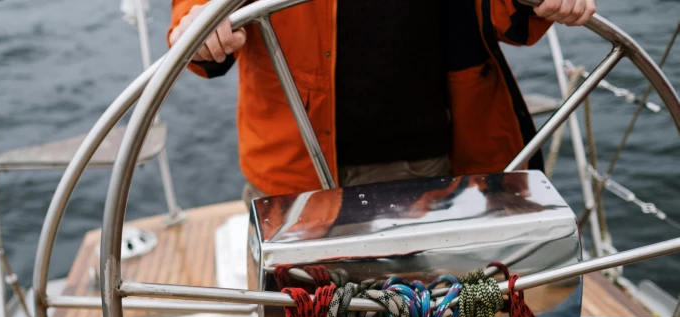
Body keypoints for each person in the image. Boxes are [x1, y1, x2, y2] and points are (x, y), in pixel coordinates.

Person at [169, 0, 596, 202]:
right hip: (293, 175)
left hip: (428, 165)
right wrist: (200, 25)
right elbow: (197, 18)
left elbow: (507, 14)